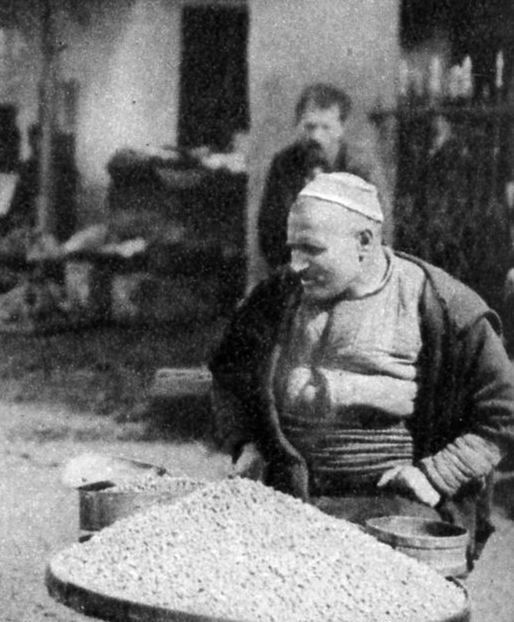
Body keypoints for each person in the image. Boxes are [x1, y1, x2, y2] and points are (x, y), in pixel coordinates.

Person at [211, 172, 514, 578]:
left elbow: (504, 410)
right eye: (292, 248)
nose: (296, 265)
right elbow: (229, 371)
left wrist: (438, 474)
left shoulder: (442, 305)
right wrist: (246, 443)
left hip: (393, 507)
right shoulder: (276, 296)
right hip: (287, 496)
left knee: (401, 616)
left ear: (365, 243)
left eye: (312, 249)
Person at [256, 84, 385, 271]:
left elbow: (379, 234)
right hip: (296, 276)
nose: (316, 136)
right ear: (297, 125)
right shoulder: (283, 164)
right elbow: (269, 231)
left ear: (341, 129)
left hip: (350, 278)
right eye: (309, 127)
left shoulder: (362, 168)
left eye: (326, 127)